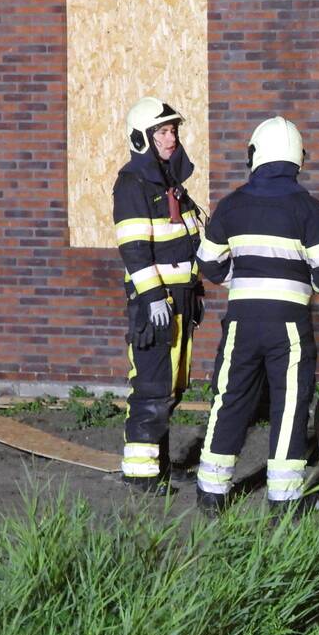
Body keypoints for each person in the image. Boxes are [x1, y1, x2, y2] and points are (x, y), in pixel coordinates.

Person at [194, 116, 319, 515]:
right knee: (290, 402)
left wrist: (239, 283)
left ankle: (211, 489)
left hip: (241, 320)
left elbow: (208, 263)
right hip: (290, 323)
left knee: (231, 398)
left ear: (254, 155)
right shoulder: (310, 209)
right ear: (298, 159)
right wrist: (299, 287)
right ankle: (284, 497)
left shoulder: (231, 204)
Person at [113, 96, 205, 493]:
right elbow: (134, 248)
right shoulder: (132, 184)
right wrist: (152, 297)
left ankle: (160, 464)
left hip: (180, 298)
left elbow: (186, 239)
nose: (171, 138)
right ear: (142, 139)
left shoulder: (172, 184)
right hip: (157, 302)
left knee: (171, 385)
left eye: (173, 131)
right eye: (163, 132)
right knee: (151, 386)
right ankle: (140, 473)